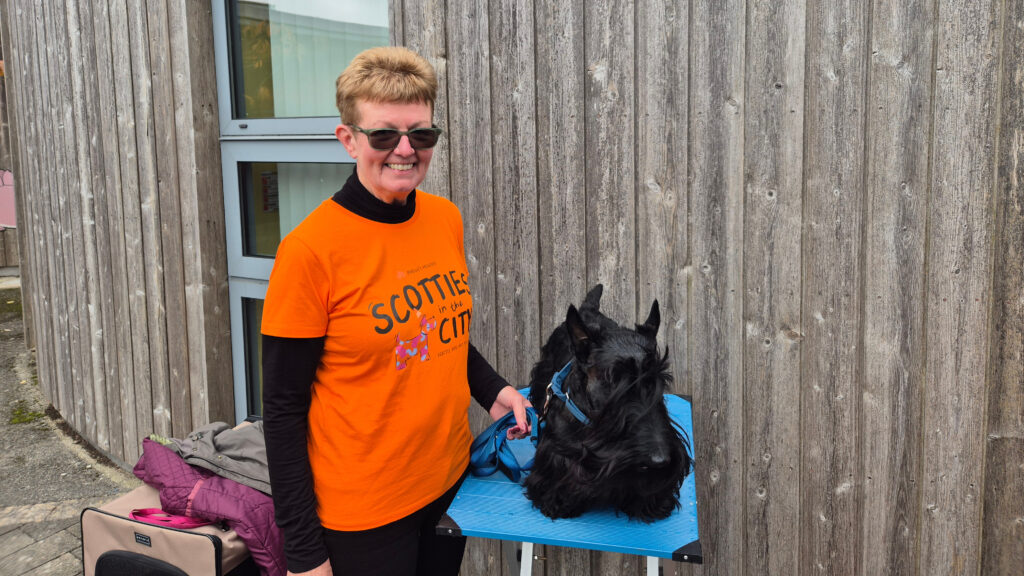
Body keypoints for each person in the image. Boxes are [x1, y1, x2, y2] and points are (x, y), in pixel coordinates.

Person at [260, 46, 532, 576]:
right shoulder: (310, 252)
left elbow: (437, 329)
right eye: (384, 134)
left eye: (421, 134)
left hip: (449, 478)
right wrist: (304, 551)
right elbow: (282, 408)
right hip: (363, 512)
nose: (404, 150)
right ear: (348, 140)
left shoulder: (442, 218)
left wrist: (494, 390)